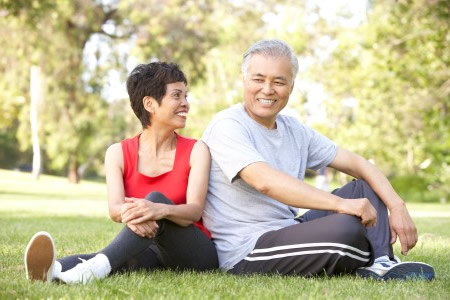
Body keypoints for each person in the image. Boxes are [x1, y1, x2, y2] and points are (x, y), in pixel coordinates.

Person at [201, 39, 434, 280]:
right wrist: (341, 205)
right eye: (258, 79)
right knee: (346, 228)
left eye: (279, 81)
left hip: (288, 230)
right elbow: (264, 181)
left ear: (291, 86)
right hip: (248, 249)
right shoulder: (227, 125)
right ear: (245, 80)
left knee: (364, 188)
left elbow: (359, 165)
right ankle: (368, 251)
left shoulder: (294, 129)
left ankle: (382, 261)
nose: (268, 89)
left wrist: (397, 206)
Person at [24, 62, 218, 284]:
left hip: (195, 252)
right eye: (177, 95)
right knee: (120, 259)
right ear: (150, 104)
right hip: (150, 246)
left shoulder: (196, 150)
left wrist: (157, 209)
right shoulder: (117, 153)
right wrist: (143, 213)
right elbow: (115, 210)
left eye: (186, 96)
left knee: (153, 199)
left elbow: (194, 211)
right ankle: (53, 269)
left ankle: (91, 270)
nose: (186, 103)